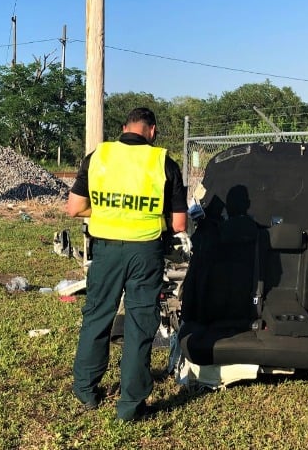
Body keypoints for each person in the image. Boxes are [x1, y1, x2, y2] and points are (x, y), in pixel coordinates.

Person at [66, 107, 188, 421]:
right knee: (139, 323)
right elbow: (177, 224)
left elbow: (74, 207)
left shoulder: (98, 157)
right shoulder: (164, 163)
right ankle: (130, 405)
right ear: (153, 131)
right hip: (145, 252)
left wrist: (109, 213)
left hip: (105, 251)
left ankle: (85, 389)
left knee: (97, 316)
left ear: (124, 128)